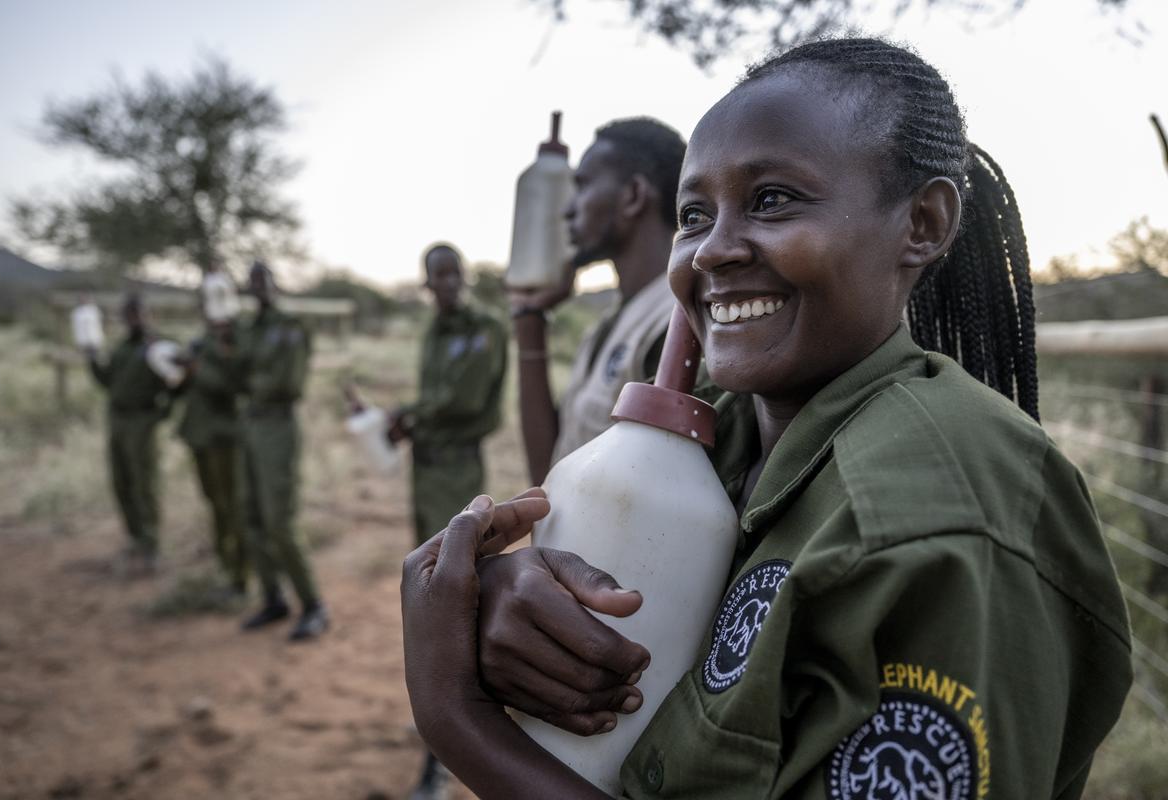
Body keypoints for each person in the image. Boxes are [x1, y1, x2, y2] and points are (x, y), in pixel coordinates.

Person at [399, 38, 1133, 799]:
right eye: (694, 213)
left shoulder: (936, 519)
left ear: (922, 222)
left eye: (772, 199)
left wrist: (457, 716)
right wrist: (518, 604)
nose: (712, 251)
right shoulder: (715, 436)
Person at [390, 243, 508, 800]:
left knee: (455, 593)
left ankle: (452, 747)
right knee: (426, 586)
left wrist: (412, 414)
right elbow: (436, 398)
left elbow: (463, 399)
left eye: (452, 273)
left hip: (458, 470)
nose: (445, 284)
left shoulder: (483, 328)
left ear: (463, 276)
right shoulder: (435, 332)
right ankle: (440, 726)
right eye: (435, 276)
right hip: (426, 467)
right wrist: (408, 423)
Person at [510, 118, 685, 484]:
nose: (568, 211)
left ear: (633, 195)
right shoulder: (606, 328)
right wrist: (530, 322)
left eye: (583, 186)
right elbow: (548, 475)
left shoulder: (674, 326)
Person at [238, 261, 329, 641]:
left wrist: (251, 380)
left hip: (277, 426)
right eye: (252, 282)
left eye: (264, 281)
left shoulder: (290, 326)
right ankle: (273, 597)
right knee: (252, 516)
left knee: (280, 519)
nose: (258, 288)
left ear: (275, 285)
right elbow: (233, 373)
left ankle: (314, 605)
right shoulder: (246, 329)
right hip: (250, 425)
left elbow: (288, 383)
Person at [86, 293, 174, 575]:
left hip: (141, 421)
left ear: (149, 315)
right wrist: (91, 358)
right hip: (118, 420)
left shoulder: (158, 347)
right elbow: (107, 380)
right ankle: (134, 537)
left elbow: (178, 382)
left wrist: (161, 414)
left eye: (139, 313)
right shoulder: (122, 348)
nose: (134, 319)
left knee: (144, 483)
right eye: (129, 314)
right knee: (121, 481)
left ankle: (151, 545)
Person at [177, 292, 248, 597]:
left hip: (224, 438)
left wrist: (196, 369)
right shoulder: (202, 341)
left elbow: (229, 386)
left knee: (232, 506)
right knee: (215, 503)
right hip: (201, 437)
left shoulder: (234, 340)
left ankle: (240, 574)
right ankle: (225, 564)